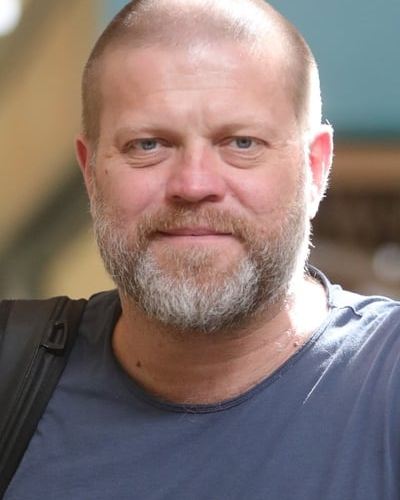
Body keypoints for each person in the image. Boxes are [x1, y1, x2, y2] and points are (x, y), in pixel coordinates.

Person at [3, 0, 400, 498]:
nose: (193, 185)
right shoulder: (12, 374)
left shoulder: (387, 384)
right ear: (91, 173)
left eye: (242, 143)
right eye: (148, 145)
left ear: (315, 169)